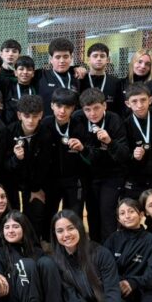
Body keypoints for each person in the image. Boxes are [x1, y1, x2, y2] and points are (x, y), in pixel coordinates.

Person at [75, 87, 130, 241]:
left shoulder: (115, 120)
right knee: (92, 214)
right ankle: (95, 250)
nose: (92, 113)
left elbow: (124, 155)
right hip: (89, 176)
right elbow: (90, 156)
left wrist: (110, 142)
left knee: (107, 214)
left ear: (104, 105)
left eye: (96, 108)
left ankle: (110, 251)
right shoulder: (78, 120)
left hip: (112, 175)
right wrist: (83, 149)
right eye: (88, 110)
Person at [1, 94, 51, 239]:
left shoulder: (45, 134)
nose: (30, 120)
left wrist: (36, 189)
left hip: (33, 185)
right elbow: (2, 166)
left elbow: (44, 166)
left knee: (35, 213)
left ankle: (34, 246)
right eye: (27, 116)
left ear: (41, 115)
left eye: (35, 116)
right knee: (12, 217)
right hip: (11, 184)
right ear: (19, 115)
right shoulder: (7, 132)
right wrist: (16, 159)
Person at [40, 88, 88, 234]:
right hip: (51, 180)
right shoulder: (44, 125)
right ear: (52, 105)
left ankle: (77, 245)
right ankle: (48, 242)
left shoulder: (79, 126)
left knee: (74, 214)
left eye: (67, 107)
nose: (62, 111)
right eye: (59, 106)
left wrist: (82, 148)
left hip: (74, 180)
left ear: (73, 108)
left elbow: (88, 155)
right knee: (49, 212)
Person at [37, 38, 82, 115]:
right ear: (51, 59)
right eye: (58, 57)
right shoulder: (40, 76)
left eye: (65, 57)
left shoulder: (78, 77)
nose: (62, 61)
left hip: (72, 124)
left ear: (71, 58)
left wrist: (79, 68)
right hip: (47, 124)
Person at [84, 43, 122, 114]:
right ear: (88, 59)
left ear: (107, 60)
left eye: (102, 56)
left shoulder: (115, 82)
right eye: (95, 56)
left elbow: (119, 108)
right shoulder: (81, 80)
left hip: (108, 123)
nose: (99, 59)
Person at [3, 55, 38, 125]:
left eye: (29, 69)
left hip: (30, 127)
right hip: (10, 129)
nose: (25, 72)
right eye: (21, 69)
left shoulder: (36, 89)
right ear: (15, 72)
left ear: (33, 73)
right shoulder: (7, 86)